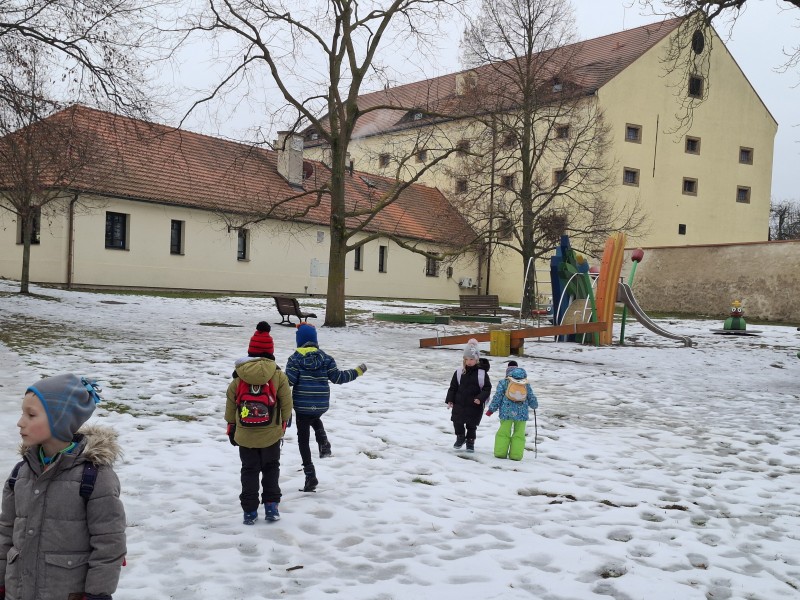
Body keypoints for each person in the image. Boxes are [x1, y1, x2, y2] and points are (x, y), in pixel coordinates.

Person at [0, 373, 126, 599]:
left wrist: (97, 594)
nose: (20, 422)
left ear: (59, 420)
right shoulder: (21, 473)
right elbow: (5, 533)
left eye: (31, 415)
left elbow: (109, 544)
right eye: (22, 413)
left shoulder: (95, 477)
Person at [285, 323, 366, 493]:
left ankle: (310, 475)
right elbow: (338, 377)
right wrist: (357, 371)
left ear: (299, 341)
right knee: (315, 417)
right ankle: (323, 441)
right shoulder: (326, 358)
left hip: (302, 405)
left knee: (303, 440)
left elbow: (289, 381)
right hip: (321, 403)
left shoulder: (295, 359)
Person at [226, 322, 292, 525]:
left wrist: (231, 427)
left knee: (249, 470)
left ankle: (249, 511)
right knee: (271, 468)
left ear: (250, 352)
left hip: (245, 435)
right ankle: (271, 506)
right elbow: (286, 403)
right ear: (271, 353)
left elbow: (230, 404)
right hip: (271, 435)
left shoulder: (239, 377)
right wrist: (283, 424)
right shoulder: (278, 375)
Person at [445, 339, 491, 452]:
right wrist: (450, 399)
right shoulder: (459, 372)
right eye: (466, 359)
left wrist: (480, 398)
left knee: (472, 425)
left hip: (474, 405)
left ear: (477, 359)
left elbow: (487, 388)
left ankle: (470, 441)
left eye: (471, 359)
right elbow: (453, 387)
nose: (469, 362)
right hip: (459, 403)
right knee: (457, 422)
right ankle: (460, 437)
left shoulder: (481, 373)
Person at [485, 364, 539, 461]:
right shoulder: (525, 384)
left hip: (506, 412)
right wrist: (534, 405)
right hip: (522, 414)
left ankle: (500, 453)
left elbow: (497, 397)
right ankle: (516, 455)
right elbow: (531, 397)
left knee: (503, 433)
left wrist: (491, 410)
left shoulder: (503, 382)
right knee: (519, 434)